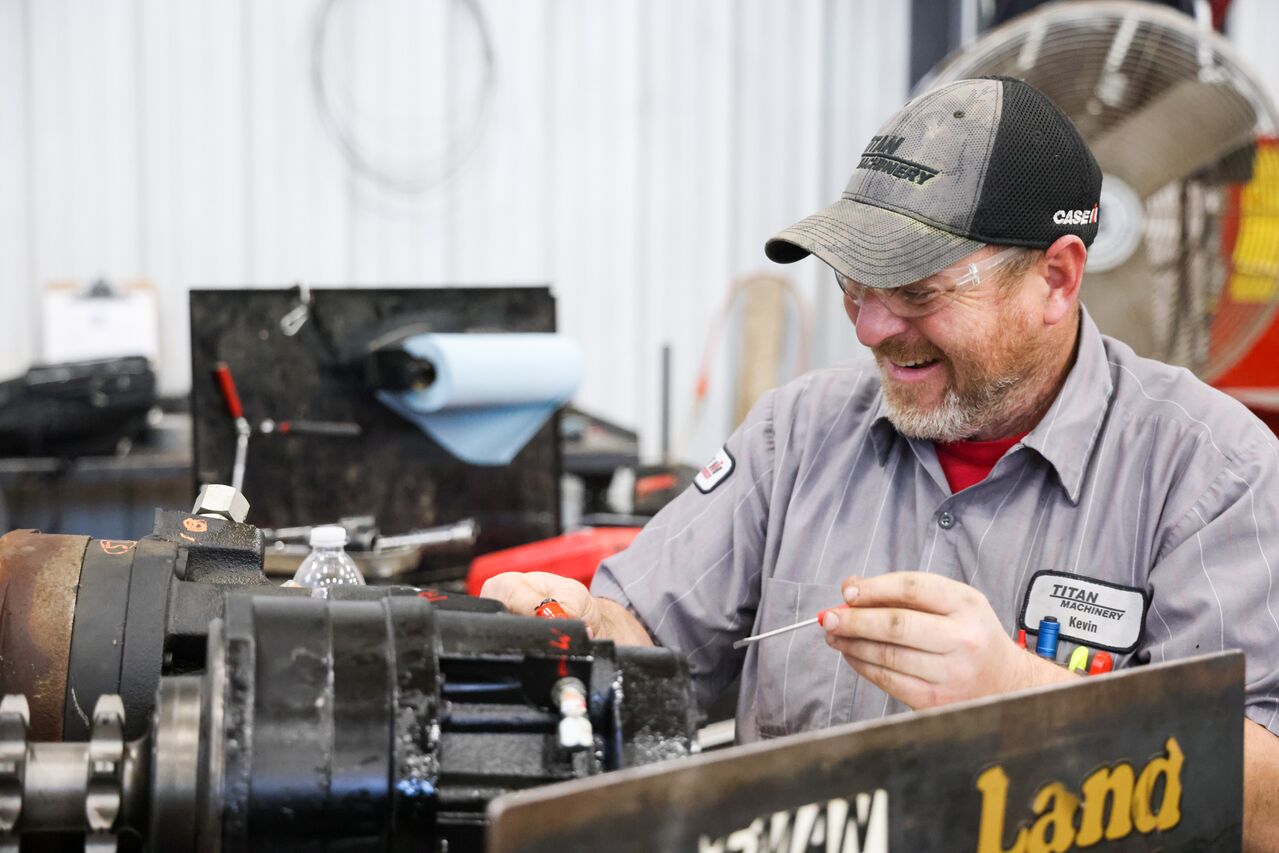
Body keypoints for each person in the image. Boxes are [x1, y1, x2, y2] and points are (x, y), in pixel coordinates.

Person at [482, 76, 1279, 846]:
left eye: (917, 292)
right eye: (854, 285)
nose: (868, 328)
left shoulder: (1212, 472)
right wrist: (579, 628)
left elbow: (1267, 808)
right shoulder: (794, 435)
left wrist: (1020, 695)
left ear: (1055, 277)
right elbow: (647, 645)